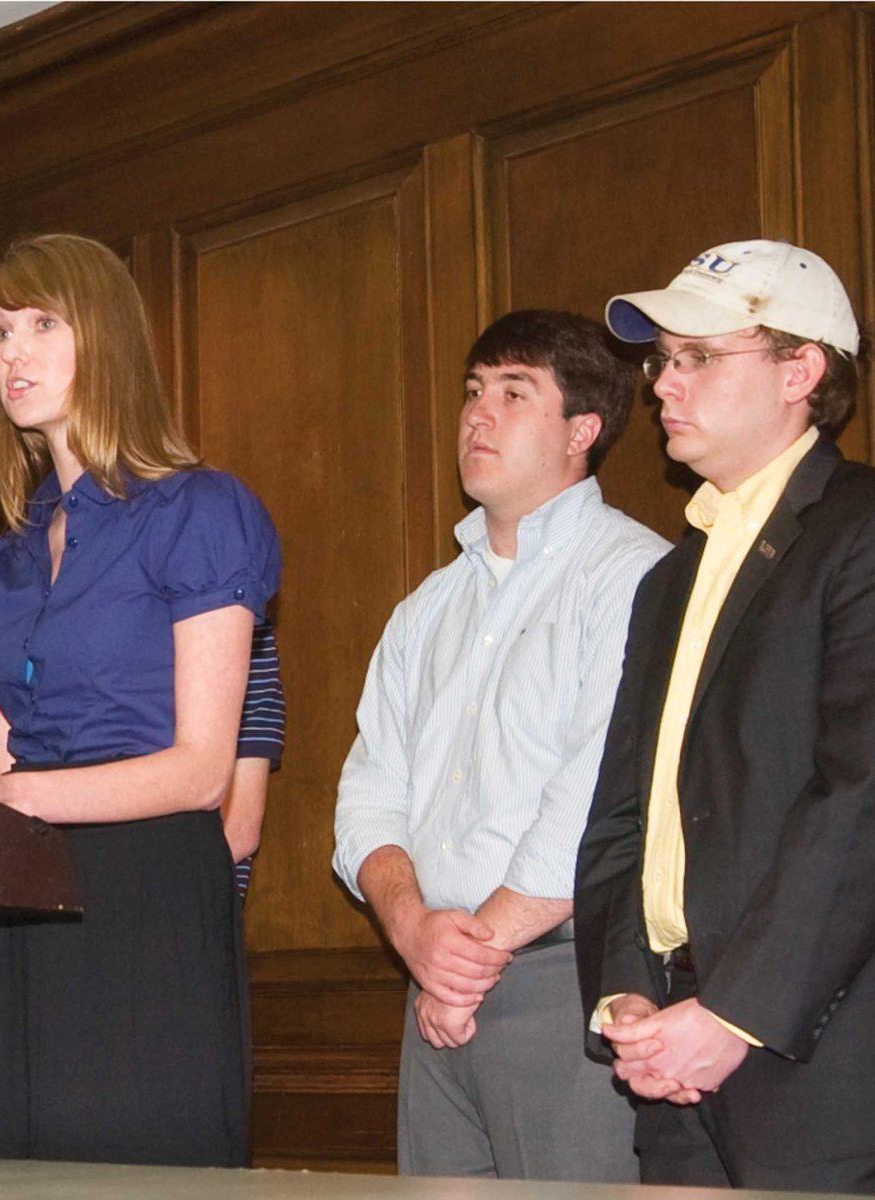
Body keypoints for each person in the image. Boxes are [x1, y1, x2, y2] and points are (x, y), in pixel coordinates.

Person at [0, 232, 280, 1167]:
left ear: (109, 338)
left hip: (147, 896)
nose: (13, 351)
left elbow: (204, 771)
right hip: (30, 911)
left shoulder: (199, 510)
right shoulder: (6, 560)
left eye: (43, 322)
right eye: (1, 331)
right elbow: (0, 769)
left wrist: (18, 797)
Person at [334, 310, 669, 1180]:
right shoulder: (426, 610)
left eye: (514, 394)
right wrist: (412, 932)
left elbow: (600, 793)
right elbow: (368, 794)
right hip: (432, 986)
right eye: (474, 392)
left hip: (567, 982)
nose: (477, 415)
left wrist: (466, 957)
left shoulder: (634, 576)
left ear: (582, 431)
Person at [574, 239, 873, 1192]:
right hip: (671, 1033)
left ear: (800, 369)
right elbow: (627, 805)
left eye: (699, 356)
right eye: (662, 359)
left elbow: (860, 797)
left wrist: (736, 1012)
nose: (664, 382)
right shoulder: (669, 578)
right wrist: (626, 990)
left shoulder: (860, 531)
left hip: (818, 1041)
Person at [0, 618, 286, 901]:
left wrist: (125, 906)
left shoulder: (225, 609)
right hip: (39, 903)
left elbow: (240, 828)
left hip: (166, 909)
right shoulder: (17, 627)